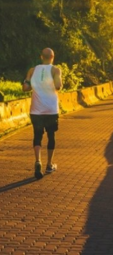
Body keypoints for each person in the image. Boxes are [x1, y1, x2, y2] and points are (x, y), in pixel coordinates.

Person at [22, 48, 62, 180]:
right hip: (51, 110)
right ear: (52, 57)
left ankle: (38, 160)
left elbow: (25, 88)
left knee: (37, 136)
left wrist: (32, 83)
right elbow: (58, 86)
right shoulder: (55, 70)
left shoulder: (32, 70)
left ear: (41, 57)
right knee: (51, 136)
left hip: (36, 110)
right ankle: (49, 164)